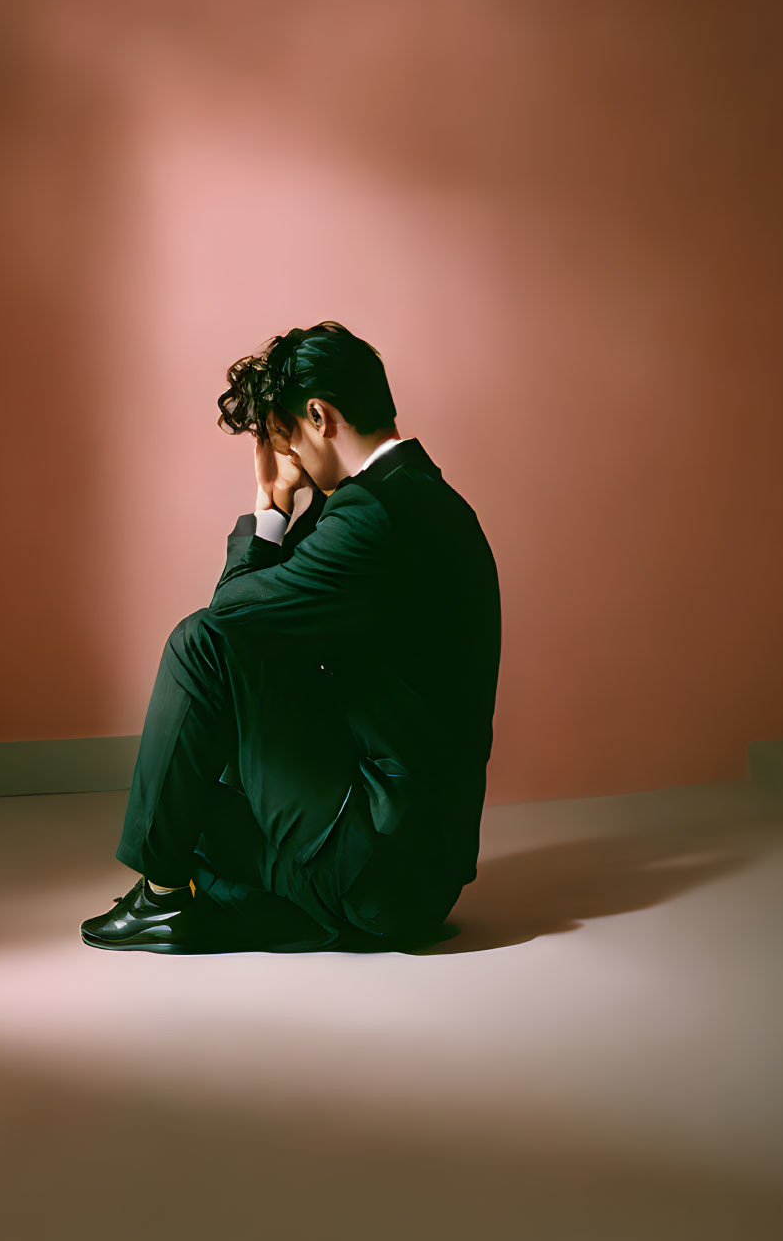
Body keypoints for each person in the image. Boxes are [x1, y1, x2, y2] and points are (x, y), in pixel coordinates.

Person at [81, 320, 502, 954]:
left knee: (197, 649)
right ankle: (231, 897)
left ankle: (162, 894)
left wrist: (271, 508)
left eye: (288, 441)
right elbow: (271, 628)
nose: (292, 462)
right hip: (420, 871)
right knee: (190, 791)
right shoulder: (427, 502)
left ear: (320, 415)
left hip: (375, 866)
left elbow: (226, 626)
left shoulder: (372, 518)